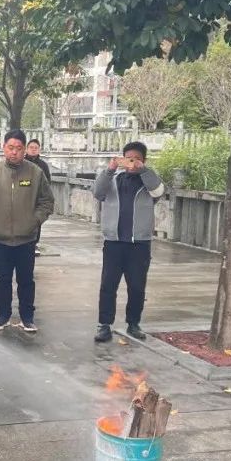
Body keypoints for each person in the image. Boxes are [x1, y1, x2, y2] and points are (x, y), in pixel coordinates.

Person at [92, 142, 165, 342]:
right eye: (129, 158)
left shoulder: (148, 182)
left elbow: (159, 192)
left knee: (137, 287)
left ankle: (133, 324)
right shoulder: (114, 179)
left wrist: (144, 170)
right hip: (114, 242)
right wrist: (110, 169)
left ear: (144, 160)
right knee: (108, 286)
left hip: (139, 244)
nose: (132, 162)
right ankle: (104, 325)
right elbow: (98, 192)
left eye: (137, 159)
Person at [0, 129, 54, 333]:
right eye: (10, 147)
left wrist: (35, 221)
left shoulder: (35, 173)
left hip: (26, 239)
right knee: (2, 280)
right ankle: (2, 316)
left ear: (25, 150)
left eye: (18, 148)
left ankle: (27, 317)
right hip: (0, 238)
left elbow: (47, 201)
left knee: (26, 281)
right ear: (3, 148)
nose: (14, 152)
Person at [25, 139, 52, 256]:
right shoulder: (21, 162)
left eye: (36, 148)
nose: (33, 150)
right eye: (31, 147)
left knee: (37, 221)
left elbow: (47, 183)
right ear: (26, 149)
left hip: (37, 200)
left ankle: (35, 243)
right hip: (23, 198)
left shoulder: (43, 165)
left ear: (39, 150)